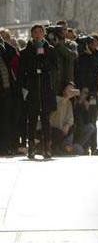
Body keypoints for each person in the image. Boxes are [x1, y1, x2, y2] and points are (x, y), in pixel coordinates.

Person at [18, 24, 58, 159]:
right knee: (32, 120)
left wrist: (43, 62)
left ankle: (47, 147)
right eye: (35, 32)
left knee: (46, 119)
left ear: (44, 34)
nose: (38, 34)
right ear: (32, 34)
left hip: (46, 89)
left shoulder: (50, 50)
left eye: (40, 32)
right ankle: (32, 147)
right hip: (32, 89)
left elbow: (54, 67)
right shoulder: (25, 51)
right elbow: (21, 72)